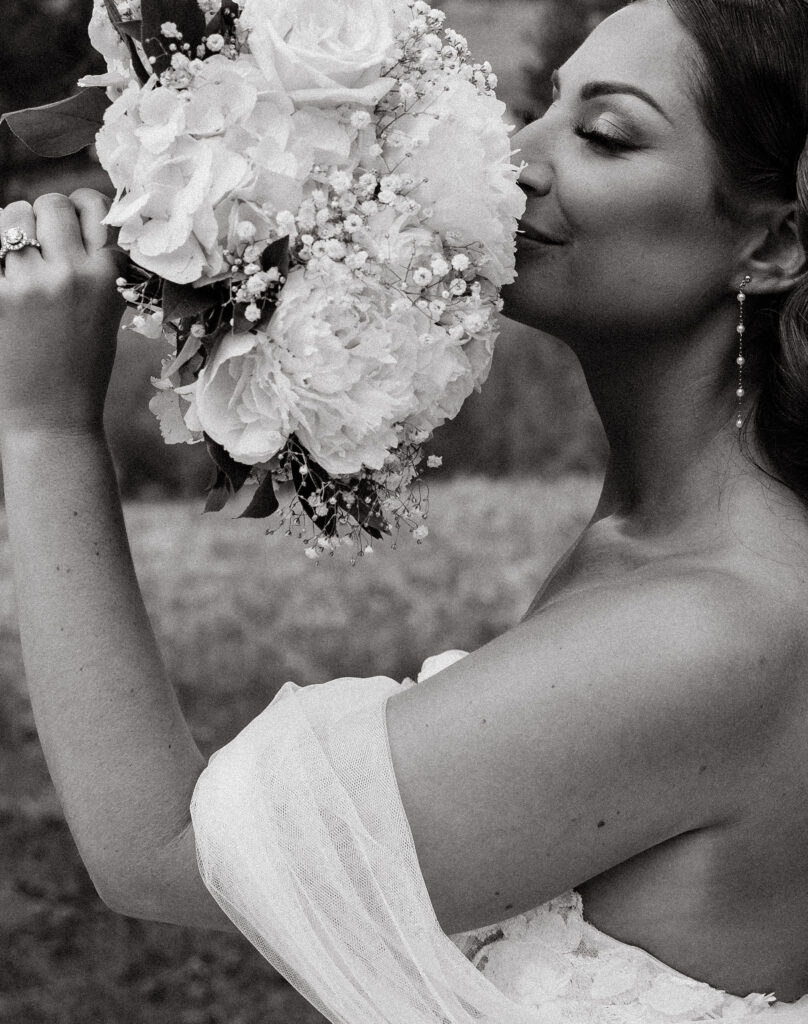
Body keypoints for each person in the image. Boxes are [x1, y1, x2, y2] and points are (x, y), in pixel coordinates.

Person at [2, 0, 808, 1018]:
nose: (519, 159)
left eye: (605, 134)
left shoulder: (715, 626)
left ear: (773, 244)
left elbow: (157, 853)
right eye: (543, 107)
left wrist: (42, 427)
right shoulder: (650, 548)